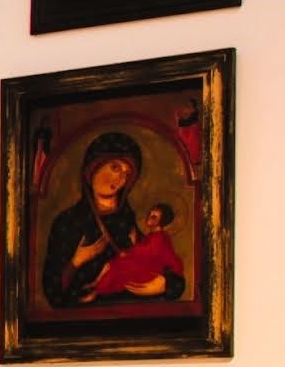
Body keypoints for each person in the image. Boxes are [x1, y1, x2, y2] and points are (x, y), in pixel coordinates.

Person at [38, 129, 190, 318]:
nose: (120, 179)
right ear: (93, 167)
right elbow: (53, 294)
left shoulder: (126, 220)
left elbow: (164, 264)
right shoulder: (68, 222)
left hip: (139, 316)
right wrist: (76, 262)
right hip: (89, 321)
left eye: (127, 174)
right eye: (115, 167)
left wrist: (166, 284)